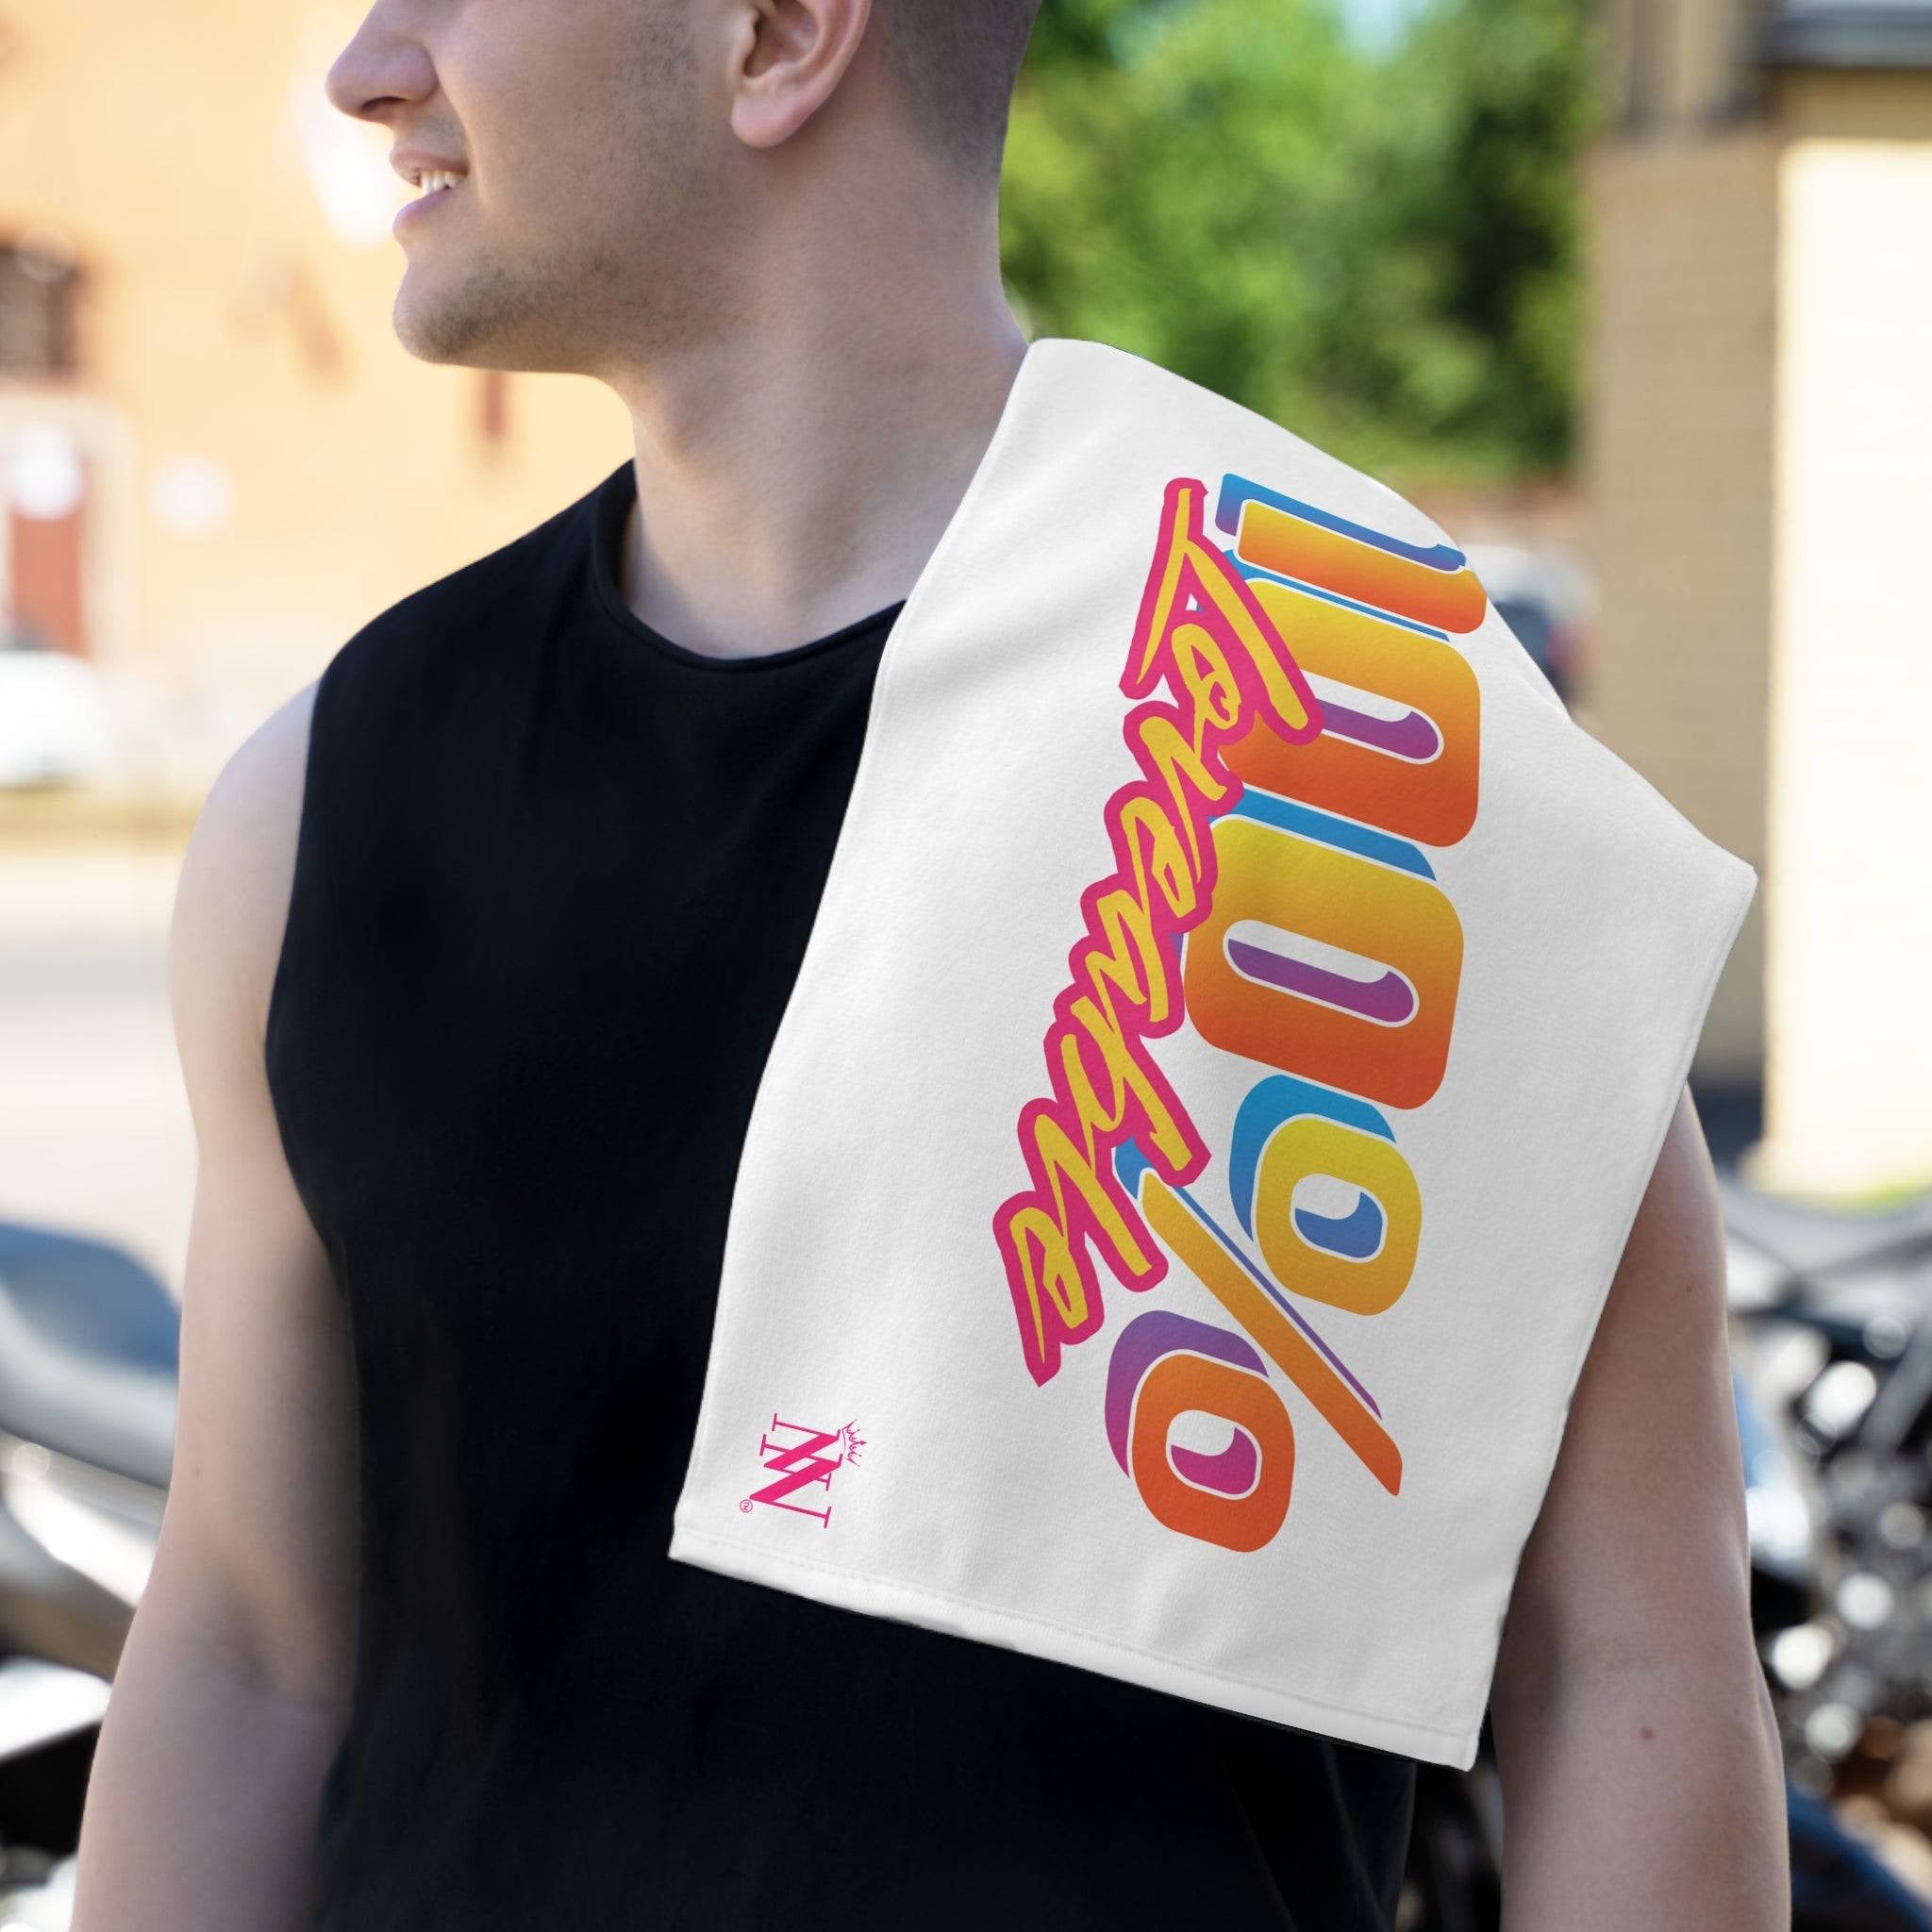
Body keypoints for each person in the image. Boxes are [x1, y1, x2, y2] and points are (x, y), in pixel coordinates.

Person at [70, 0, 1790, 1926]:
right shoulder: (326, 803)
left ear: (779, 35)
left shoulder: (1379, 751)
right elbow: (245, 1652)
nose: (371, 65)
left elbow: (1621, 1671)